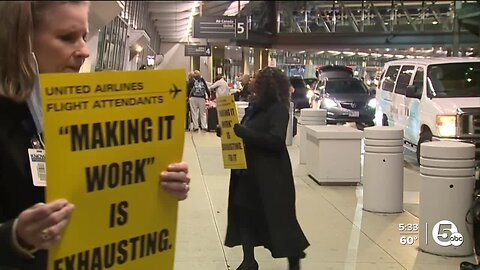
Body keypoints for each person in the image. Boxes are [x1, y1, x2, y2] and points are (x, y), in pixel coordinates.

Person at [0, 2, 191, 269]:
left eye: (83, 36)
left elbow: (108, 193)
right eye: (67, 38)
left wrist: (156, 185)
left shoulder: (92, 113)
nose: (84, 51)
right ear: (21, 40)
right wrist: (15, 236)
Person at [219, 67, 309, 270]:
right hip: (248, 172)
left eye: (255, 80)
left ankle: (294, 263)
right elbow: (246, 131)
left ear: (266, 85)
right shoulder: (254, 107)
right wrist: (227, 132)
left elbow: (276, 140)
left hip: (271, 175)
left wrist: (243, 132)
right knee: (245, 212)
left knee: (281, 220)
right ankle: (249, 260)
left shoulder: (278, 109)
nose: (251, 82)